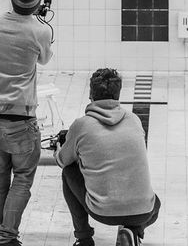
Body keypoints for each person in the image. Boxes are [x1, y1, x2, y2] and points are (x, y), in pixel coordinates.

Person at [0, 0, 54, 246]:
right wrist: (39, 21)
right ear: (37, 4)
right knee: (22, 178)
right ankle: (6, 236)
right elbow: (44, 59)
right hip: (21, 119)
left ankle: (1, 233)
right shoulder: (39, 31)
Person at [55, 68, 161, 246]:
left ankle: (83, 238)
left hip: (103, 212)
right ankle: (133, 231)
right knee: (155, 205)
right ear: (118, 94)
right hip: (143, 211)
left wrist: (60, 148)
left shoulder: (81, 125)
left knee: (68, 171)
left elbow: (62, 160)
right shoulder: (134, 120)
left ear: (91, 94)